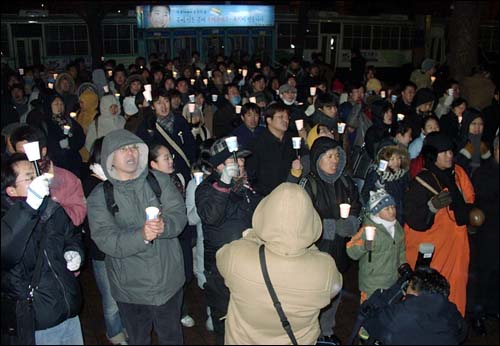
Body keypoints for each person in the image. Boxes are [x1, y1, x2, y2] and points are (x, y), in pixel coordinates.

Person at [87, 129, 187, 345]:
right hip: (130, 288)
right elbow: (105, 239)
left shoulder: (159, 181)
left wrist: (164, 226)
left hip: (168, 280)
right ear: (109, 158)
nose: (130, 153)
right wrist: (141, 235)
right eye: (123, 149)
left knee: (172, 337)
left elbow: (179, 214)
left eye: (133, 147)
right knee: (138, 339)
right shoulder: (99, 197)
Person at [216, 183, 342, 345]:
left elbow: (220, 259)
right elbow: (334, 289)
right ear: (310, 218)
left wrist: (253, 236)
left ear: (265, 213)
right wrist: (308, 244)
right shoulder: (326, 268)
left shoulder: (237, 254)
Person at [1, 153, 84, 345]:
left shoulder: (51, 208)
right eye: (29, 177)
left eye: (36, 174)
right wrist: (29, 207)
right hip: (36, 319)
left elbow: (71, 235)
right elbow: (6, 253)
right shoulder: (6, 220)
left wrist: (74, 252)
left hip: (68, 309)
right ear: (11, 190)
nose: (37, 179)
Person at [195, 137, 262, 344]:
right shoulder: (206, 188)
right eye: (235, 162)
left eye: (242, 162)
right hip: (220, 270)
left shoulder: (246, 188)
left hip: (250, 266)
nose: (241, 167)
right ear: (219, 166)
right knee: (224, 322)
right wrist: (223, 183)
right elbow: (210, 216)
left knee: (249, 321)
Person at [404, 132, 475, 316]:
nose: (449, 156)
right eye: (443, 152)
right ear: (432, 155)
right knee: (429, 296)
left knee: (455, 294)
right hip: (435, 254)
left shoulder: (458, 174)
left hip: (457, 250)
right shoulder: (422, 181)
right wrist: (431, 207)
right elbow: (412, 219)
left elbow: (469, 199)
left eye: (450, 151)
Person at [299, 137, 361, 343]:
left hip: (339, 251)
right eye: (329, 156)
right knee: (313, 294)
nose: (334, 160)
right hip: (316, 252)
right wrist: (332, 227)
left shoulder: (345, 181)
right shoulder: (309, 184)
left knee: (335, 291)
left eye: (337, 155)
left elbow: (357, 205)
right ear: (318, 158)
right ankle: (309, 333)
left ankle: (326, 329)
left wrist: (352, 223)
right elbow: (301, 218)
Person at [82, 138, 128, 345]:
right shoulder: (91, 182)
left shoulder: (120, 178)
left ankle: (126, 327)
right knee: (111, 299)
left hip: (124, 246)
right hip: (102, 251)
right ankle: (115, 334)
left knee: (125, 292)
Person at [362, 266, 467, 345]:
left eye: (408, 286)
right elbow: (462, 333)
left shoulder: (400, 314)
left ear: (415, 292)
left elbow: (367, 316)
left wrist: (396, 289)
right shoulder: (452, 311)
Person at [11, 125, 87, 227]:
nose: (25, 159)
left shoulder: (67, 179)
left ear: (43, 151)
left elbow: (77, 216)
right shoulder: (11, 179)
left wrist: (49, 205)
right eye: (20, 154)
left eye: (29, 153)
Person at [347, 188, 406, 302]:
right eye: (386, 209)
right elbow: (351, 251)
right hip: (372, 284)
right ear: (377, 212)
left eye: (393, 207)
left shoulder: (397, 227)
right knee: (368, 315)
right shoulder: (367, 229)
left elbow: (401, 250)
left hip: (392, 281)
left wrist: (402, 267)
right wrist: (365, 245)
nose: (392, 211)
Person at [470, 135, 499, 333]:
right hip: (488, 232)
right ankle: (477, 312)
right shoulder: (484, 173)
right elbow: (480, 201)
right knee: (484, 274)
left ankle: (494, 307)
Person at [245, 103, 305, 196]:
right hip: (267, 195)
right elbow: (251, 175)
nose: (285, 120)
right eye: (281, 117)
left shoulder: (293, 139)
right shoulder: (257, 144)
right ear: (269, 120)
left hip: (292, 191)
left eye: (287, 117)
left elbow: (304, 158)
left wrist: (304, 142)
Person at [455, 108, 492, 177]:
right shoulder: (458, 143)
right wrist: (466, 153)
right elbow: (455, 167)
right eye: (474, 124)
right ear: (467, 124)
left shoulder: (485, 144)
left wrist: (486, 154)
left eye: (481, 124)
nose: (477, 128)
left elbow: (491, 167)